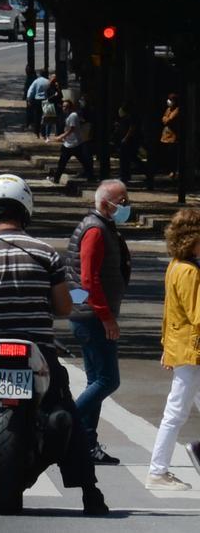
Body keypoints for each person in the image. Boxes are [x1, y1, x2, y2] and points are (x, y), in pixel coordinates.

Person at [0, 174, 108, 515]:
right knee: (68, 409)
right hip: (37, 350)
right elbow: (63, 306)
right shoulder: (46, 254)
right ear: (26, 210)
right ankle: (90, 491)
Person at [66, 180, 132, 465]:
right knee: (108, 380)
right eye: (123, 200)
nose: (127, 205)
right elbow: (89, 279)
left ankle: (86, 443)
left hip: (91, 313)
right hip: (91, 316)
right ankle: (65, 424)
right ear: (106, 204)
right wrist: (106, 317)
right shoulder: (95, 230)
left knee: (97, 381)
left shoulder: (103, 226)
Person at [145, 208, 200, 490]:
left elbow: (170, 313)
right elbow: (197, 314)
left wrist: (167, 346)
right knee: (176, 412)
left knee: (178, 409)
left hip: (184, 348)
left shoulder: (176, 266)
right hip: (193, 350)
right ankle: (158, 471)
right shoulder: (189, 271)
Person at [49, 99, 95, 183]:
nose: (64, 108)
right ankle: (56, 178)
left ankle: (91, 177)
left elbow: (72, 129)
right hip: (69, 143)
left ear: (71, 108)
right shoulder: (67, 115)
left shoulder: (73, 115)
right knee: (62, 163)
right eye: (63, 106)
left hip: (75, 143)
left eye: (67, 107)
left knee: (83, 162)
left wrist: (61, 136)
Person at [116, 104, 151, 187]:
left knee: (131, 158)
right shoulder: (124, 118)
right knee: (128, 159)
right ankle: (125, 176)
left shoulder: (131, 118)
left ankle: (147, 172)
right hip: (126, 141)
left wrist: (125, 138)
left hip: (130, 141)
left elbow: (132, 129)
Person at [160, 93, 181, 181]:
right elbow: (163, 118)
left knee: (173, 154)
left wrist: (166, 119)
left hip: (173, 137)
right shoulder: (168, 109)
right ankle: (169, 170)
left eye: (171, 100)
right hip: (166, 136)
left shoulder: (177, 109)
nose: (169, 101)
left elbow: (169, 120)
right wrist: (165, 119)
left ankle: (174, 171)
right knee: (167, 154)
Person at [26, 71, 50, 137]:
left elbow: (31, 90)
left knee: (37, 116)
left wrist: (29, 99)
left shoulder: (36, 81)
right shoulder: (48, 82)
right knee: (46, 116)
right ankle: (44, 132)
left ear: (39, 75)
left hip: (37, 100)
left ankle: (37, 131)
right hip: (46, 100)